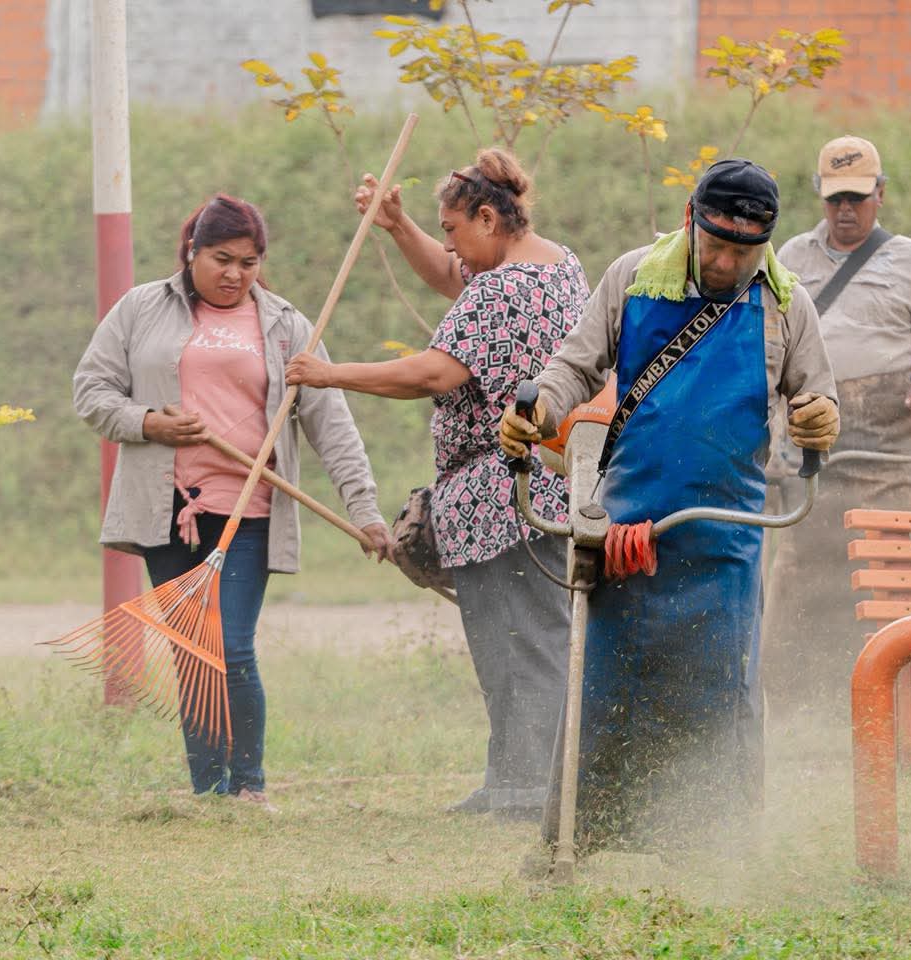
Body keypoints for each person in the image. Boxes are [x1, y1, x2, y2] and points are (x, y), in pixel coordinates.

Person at [498, 158, 841, 852]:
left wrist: (820, 419)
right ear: (691, 218)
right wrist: (537, 408)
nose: (725, 261)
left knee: (721, 701)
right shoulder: (630, 278)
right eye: (715, 244)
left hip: (727, 538)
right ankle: (576, 841)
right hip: (626, 530)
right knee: (602, 692)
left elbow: (819, 397)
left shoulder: (785, 305)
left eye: (744, 252)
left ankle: (714, 845)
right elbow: (574, 367)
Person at [286, 148, 587, 821]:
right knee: (518, 641)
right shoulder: (556, 267)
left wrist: (327, 374)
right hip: (540, 489)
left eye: (451, 228)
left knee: (520, 643)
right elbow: (458, 277)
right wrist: (397, 228)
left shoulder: (499, 289)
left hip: (502, 491)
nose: (449, 246)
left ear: (488, 216)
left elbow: (433, 374)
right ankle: (513, 781)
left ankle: (529, 791)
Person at [73, 194, 391, 810]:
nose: (235, 274)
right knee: (193, 650)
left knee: (232, 644)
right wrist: (147, 423)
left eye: (248, 262)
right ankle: (208, 792)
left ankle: (248, 787)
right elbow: (92, 391)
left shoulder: (288, 326)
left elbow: (333, 424)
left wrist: (365, 510)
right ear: (192, 252)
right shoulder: (141, 309)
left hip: (249, 509)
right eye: (221, 259)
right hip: (167, 510)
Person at [763, 135, 911, 721]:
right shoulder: (789, 258)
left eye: (859, 198)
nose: (847, 211)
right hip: (807, 454)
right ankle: (794, 708)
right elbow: (767, 350)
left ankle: (894, 709)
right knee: (797, 578)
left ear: (881, 194)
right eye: (836, 198)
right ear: (820, 194)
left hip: (889, 457)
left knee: (886, 581)